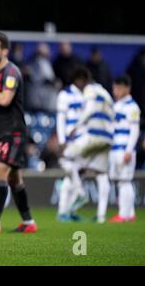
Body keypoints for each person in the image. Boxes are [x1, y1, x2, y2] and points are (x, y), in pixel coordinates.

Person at [0, 32, 38, 234]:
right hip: (3, 131)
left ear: (5, 51)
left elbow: (4, 100)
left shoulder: (11, 72)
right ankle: (28, 222)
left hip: (14, 132)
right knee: (14, 180)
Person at [63, 67, 114, 223]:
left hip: (94, 136)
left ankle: (79, 192)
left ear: (82, 80)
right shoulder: (105, 93)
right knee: (101, 174)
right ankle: (101, 215)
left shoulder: (90, 89)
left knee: (66, 158)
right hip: (107, 138)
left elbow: (90, 110)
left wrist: (75, 126)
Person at [108, 75, 140, 222]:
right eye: (115, 87)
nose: (116, 90)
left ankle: (124, 214)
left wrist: (129, 150)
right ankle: (130, 213)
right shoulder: (116, 105)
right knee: (122, 181)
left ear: (127, 88)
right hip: (115, 148)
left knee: (125, 181)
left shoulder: (132, 107)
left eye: (119, 87)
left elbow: (135, 131)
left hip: (124, 149)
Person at [56, 73, 85, 222]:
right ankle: (77, 197)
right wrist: (61, 139)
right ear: (79, 80)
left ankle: (65, 211)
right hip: (69, 141)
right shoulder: (65, 95)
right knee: (71, 172)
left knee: (71, 175)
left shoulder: (83, 95)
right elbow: (60, 118)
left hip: (81, 142)